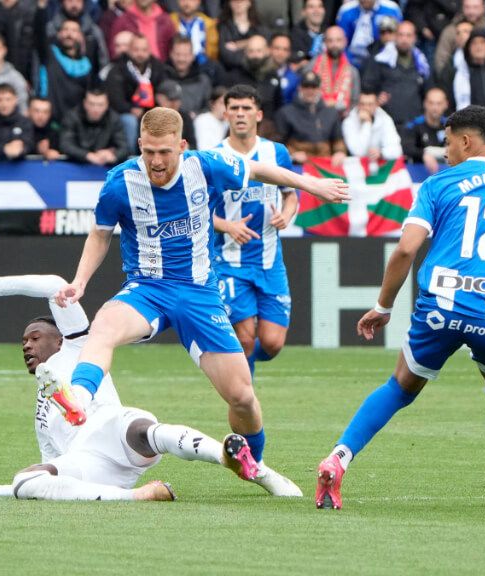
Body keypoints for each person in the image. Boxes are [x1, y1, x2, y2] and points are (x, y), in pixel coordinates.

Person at [52, 107, 350, 496]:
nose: (157, 162)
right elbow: (100, 233)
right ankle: (77, 400)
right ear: (139, 145)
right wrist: (80, 280)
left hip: (198, 293)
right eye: (149, 153)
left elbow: (259, 170)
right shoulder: (119, 182)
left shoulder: (207, 164)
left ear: (182, 146)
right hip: (147, 289)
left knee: (242, 397)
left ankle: (254, 466)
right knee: (104, 324)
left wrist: (313, 186)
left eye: (165, 153)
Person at [315, 105, 485, 510]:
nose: (445, 151)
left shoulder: (438, 185)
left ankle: (339, 458)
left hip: (439, 310)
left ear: (467, 141)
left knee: (399, 388)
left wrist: (382, 305)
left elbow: (406, 250)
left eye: (448, 142)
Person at [0, 273, 263, 502]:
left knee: (143, 428)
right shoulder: (41, 409)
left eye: (34, 338)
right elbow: (54, 464)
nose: (26, 346)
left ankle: (227, 457)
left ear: (60, 338)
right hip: (90, 464)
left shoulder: (78, 345)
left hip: (115, 432)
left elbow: (56, 286)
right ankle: (136, 496)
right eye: (23, 342)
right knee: (25, 481)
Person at [211, 85, 297, 380]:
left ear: (258, 114)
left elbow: (291, 194)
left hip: (271, 261)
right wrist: (227, 225)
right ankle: (245, 399)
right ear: (225, 114)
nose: (240, 114)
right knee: (245, 338)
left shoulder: (276, 153)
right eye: (234, 108)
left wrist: (286, 215)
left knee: (272, 343)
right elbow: (198, 210)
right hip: (229, 262)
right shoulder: (214, 157)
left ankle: (245, 363)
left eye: (246, 108)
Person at [362, 20, 431, 127]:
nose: (404, 39)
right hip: (386, 121)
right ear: (395, 36)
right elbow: (367, 87)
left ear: (414, 38)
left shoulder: (422, 63)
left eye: (408, 35)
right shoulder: (380, 59)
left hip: (415, 122)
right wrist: (376, 98)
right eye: (401, 35)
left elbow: (428, 91)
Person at [106, 34, 166, 154]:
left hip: (151, 111)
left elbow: (163, 90)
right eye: (136, 49)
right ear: (129, 50)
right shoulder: (117, 69)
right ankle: (129, 156)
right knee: (130, 121)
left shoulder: (158, 68)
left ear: (149, 51)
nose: (140, 53)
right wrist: (130, 109)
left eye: (144, 50)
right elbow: (114, 100)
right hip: (125, 113)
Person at [274, 70, 346, 165]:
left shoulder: (331, 112)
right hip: (298, 165)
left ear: (319, 88)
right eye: (306, 86)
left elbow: (338, 139)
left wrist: (340, 152)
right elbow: (277, 143)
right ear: (300, 88)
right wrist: (291, 154)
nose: (310, 90)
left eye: (314, 87)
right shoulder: (285, 112)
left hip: (325, 163)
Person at [439, 28, 485, 114]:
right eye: (474, 43)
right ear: (468, 48)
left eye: (483, 42)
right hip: (468, 123)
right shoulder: (456, 71)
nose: (479, 46)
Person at [60, 87, 129, 165]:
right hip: (77, 164)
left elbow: (124, 147)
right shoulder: (72, 117)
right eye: (92, 104)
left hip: (105, 166)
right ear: (85, 103)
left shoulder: (114, 119)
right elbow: (65, 144)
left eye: (100, 105)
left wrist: (113, 155)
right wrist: (87, 155)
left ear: (107, 105)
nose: (96, 109)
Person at [432, 0, 485, 74]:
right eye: (467, 7)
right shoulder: (451, 31)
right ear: (462, 8)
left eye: (475, 7)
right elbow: (441, 60)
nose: (471, 12)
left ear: (483, 8)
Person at [336, 0, 404, 69]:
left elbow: (400, 36)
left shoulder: (391, 9)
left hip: (381, 58)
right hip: (351, 60)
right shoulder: (346, 11)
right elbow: (341, 40)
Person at [310, 26, 360, 116]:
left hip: (342, 121)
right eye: (330, 41)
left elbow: (355, 102)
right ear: (325, 43)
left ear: (345, 42)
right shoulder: (313, 66)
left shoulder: (352, 71)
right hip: (314, 118)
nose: (334, 45)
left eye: (338, 40)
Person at [341, 89, 402, 160]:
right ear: (357, 105)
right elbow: (358, 152)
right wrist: (367, 123)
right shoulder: (349, 122)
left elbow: (397, 150)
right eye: (362, 104)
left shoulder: (385, 119)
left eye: (370, 104)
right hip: (356, 166)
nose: (366, 108)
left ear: (376, 105)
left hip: (379, 164)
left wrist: (381, 153)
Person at [110, 0, 176, 62]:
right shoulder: (123, 21)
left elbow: (173, 50)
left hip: (161, 71)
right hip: (130, 72)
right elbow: (113, 52)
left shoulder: (166, 21)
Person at [402, 86, 448, 174]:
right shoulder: (414, 125)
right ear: (425, 103)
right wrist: (423, 154)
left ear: (446, 104)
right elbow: (406, 147)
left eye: (439, 103)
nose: (435, 108)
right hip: (418, 174)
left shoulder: (451, 125)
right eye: (431, 103)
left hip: (445, 173)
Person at [0, 83, 33, 161]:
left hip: (18, 171)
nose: (4, 104)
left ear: (15, 100)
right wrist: (4, 149)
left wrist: (21, 148)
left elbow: (30, 145)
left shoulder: (24, 122)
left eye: (8, 99)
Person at [171, 0, 219, 64]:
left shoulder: (209, 24)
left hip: (203, 67)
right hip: (175, 66)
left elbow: (213, 53)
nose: (187, 3)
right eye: (183, 0)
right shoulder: (169, 21)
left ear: (198, 2)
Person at [154, 80, 198, 144]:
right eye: (171, 99)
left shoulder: (185, 118)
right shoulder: (150, 117)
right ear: (159, 98)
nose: (175, 103)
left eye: (178, 99)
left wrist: (184, 147)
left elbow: (193, 145)